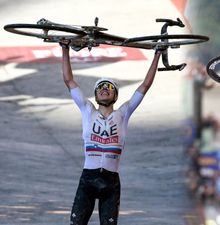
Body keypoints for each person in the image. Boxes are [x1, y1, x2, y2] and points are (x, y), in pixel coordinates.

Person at [60, 40, 163, 225]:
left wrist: (157, 54)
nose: (104, 89)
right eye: (100, 88)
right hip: (88, 179)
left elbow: (145, 86)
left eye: (109, 88)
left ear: (115, 95)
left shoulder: (123, 113)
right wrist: (65, 48)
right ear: (96, 95)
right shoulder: (87, 110)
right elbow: (69, 80)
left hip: (111, 182)